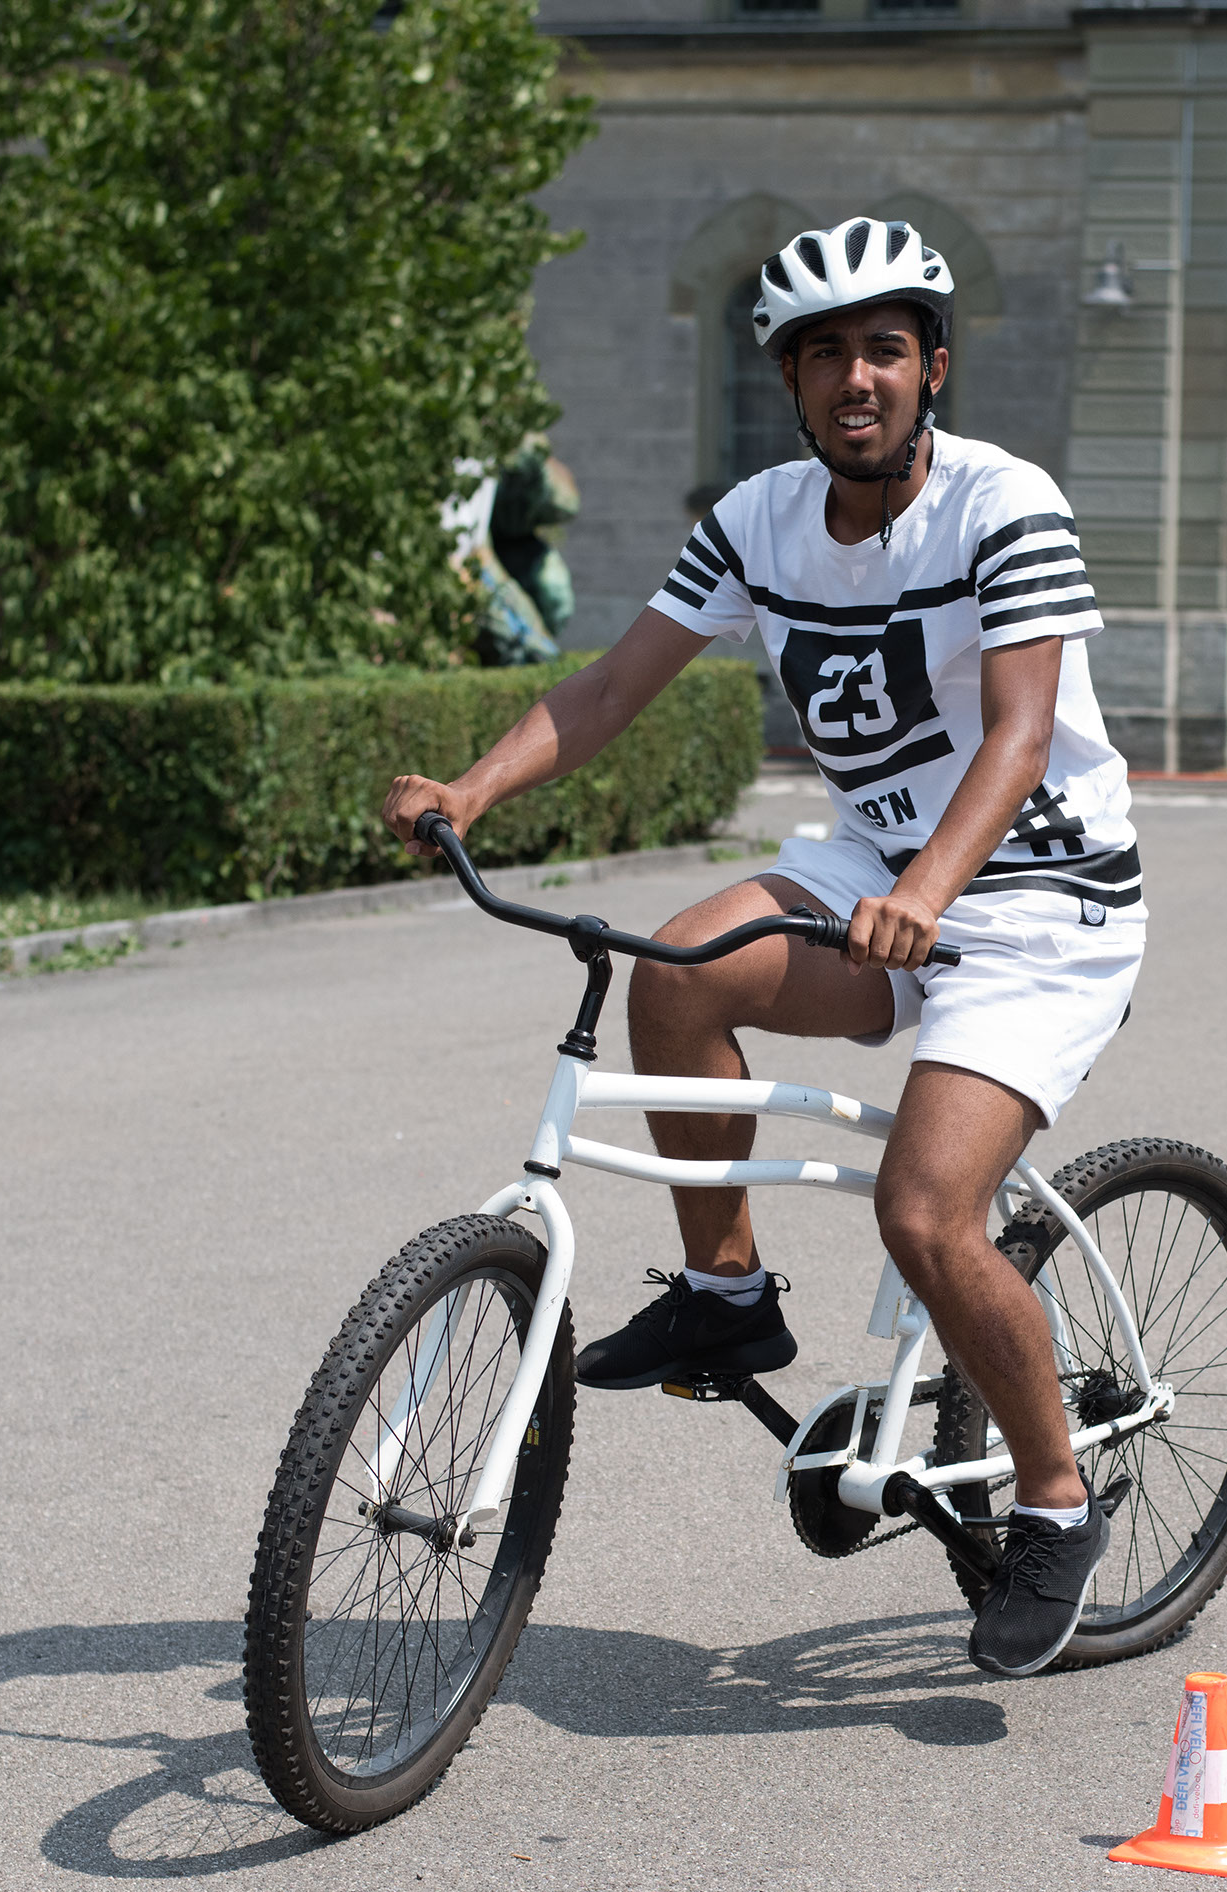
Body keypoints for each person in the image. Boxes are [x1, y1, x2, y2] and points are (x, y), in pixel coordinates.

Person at [379, 216, 1143, 1681]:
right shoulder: (758, 520)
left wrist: (931, 885)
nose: (855, 377)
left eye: (882, 349)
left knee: (925, 1218)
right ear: (790, 383)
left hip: (1040, 897)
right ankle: (725, 1293)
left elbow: (1023, 729)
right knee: (674, 969)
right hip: (874, 877)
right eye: (823, 356)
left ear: (931, 365)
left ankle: (1057, 1499)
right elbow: (613, 684)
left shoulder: (1004, 503)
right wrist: (471, 787)